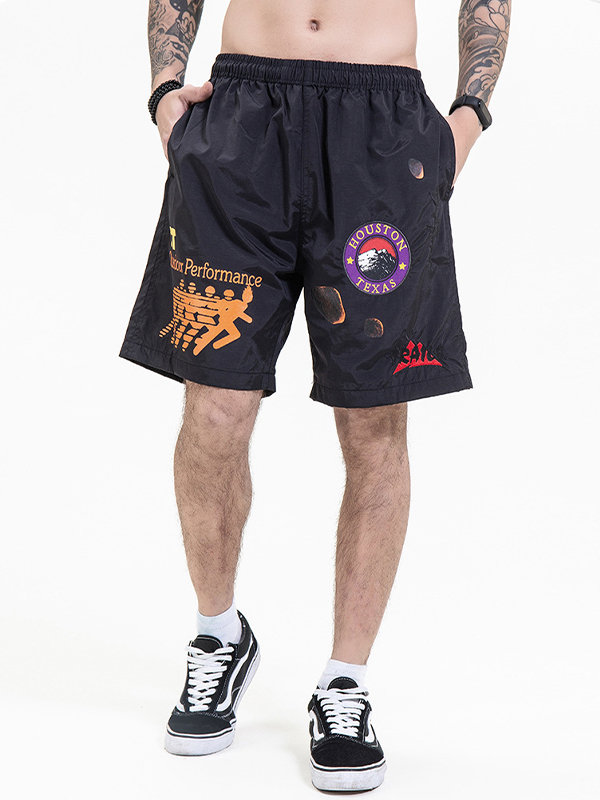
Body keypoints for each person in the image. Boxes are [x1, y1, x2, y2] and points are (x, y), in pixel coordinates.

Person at [119, 0, 511, 792]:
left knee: (373, 425)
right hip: (241, 124)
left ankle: (345, 683)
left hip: (381, 132)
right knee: (215, 409)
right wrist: (164, 91)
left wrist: (466, 119)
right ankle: (218, 636)